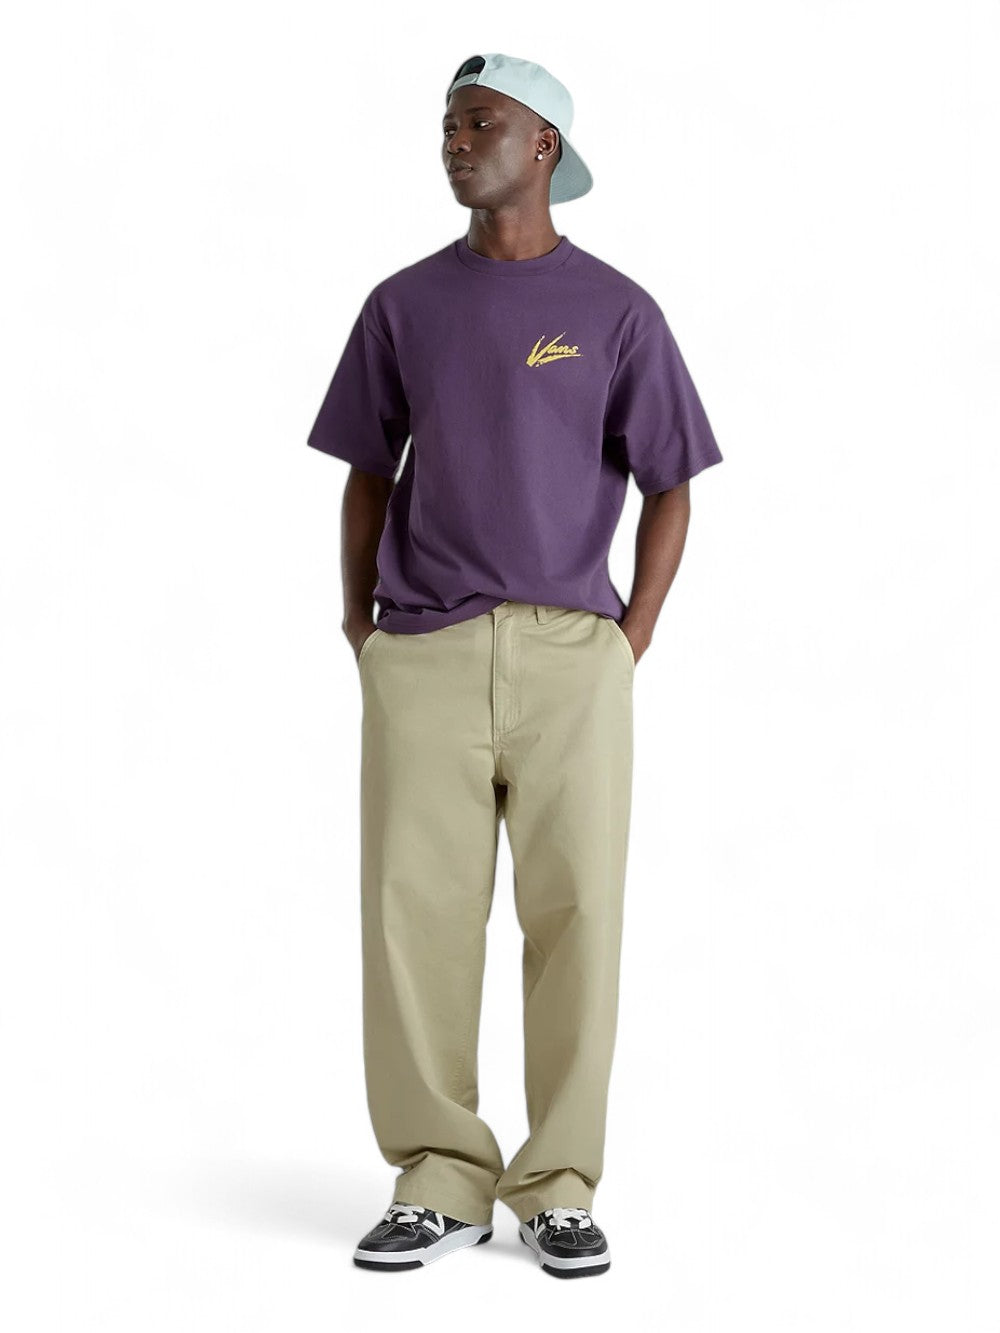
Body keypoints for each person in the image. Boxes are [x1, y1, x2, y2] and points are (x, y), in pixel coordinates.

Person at [306, 52, 723, 1279]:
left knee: (578, 916)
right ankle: (438, 1175)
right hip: (423, 650)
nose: (453, 140)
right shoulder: (401, 304)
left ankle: (558, 1184)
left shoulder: (616, 311)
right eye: (446, 123)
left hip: (571, 659)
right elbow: (367, 471)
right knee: (413, 919)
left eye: (477, 122)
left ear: (542, 146)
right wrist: (361, 628)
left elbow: (671, 483)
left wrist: (630, 636)